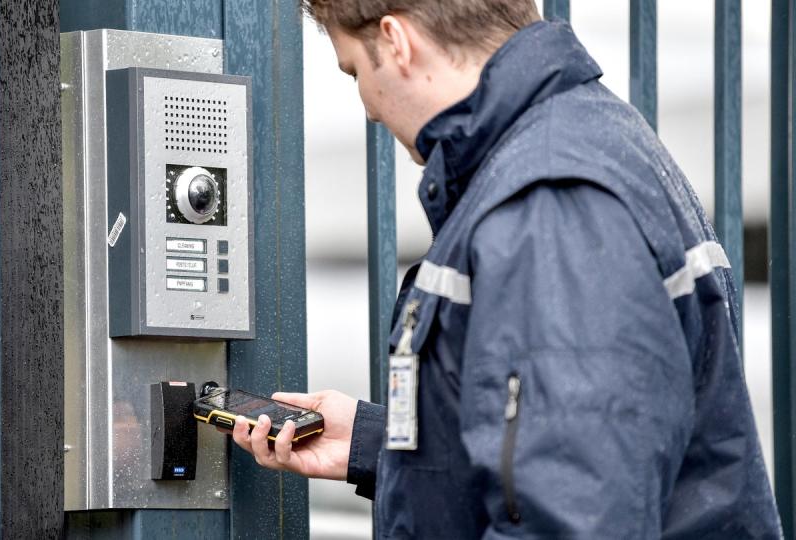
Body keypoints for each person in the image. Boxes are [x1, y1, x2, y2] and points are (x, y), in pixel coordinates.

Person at [226, 1, 782, 537]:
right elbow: (555, 443)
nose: (369, 107)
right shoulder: (584, 146)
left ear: (396, 43)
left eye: (354, 72)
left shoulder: (552, 200)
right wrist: (370, 442)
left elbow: (572, 517)